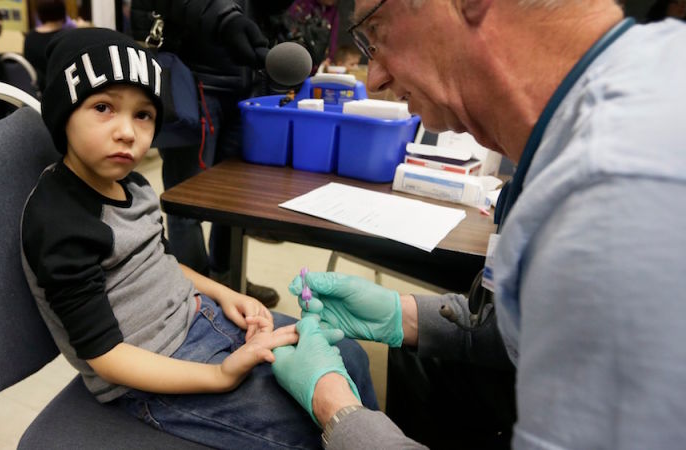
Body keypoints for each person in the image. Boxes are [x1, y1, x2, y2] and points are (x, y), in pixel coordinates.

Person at [270, 0, 686, 448]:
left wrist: (340, 414)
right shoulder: (643, 83)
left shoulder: (615, 196)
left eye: (378, 34)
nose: (377, 78)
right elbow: (539, 329)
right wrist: (402, 315)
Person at [21, 27, 377, 449]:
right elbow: (106, 357)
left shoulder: (133, 186)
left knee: (349, 356)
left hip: (201, 318)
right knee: (308, 428)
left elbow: (162, 262)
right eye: (103, 107)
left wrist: (226, 296)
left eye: (143, 115)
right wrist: (220, 375)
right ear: (64, 112)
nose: (127, 132)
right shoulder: (60, 222)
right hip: (149, 373)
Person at [130, 0, 295, 307]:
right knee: (185, 202)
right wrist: (224, 18)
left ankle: (228, 280)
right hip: (194, 81)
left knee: (235, 199)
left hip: (250, 83)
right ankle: (197, 293)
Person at [23, 0, 67, 92]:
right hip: (60, 93)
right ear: (63, 13)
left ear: (39, 14)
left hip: (35, 92)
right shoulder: (66, 37)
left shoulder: (29, 37)